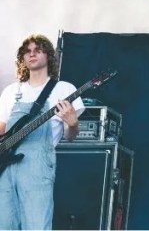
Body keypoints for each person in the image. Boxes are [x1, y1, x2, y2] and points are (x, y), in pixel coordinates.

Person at [0, 34, 85, 230]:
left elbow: (70, 137)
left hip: (37, 167)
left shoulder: (63, 89)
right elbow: (2, 129)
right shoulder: (11, 90)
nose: (32, 54)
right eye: (27, 51)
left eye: (37, 50)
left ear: (48, 56)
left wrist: (72, 124)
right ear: (22, 58)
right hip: (5, 167)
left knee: (36, 225)